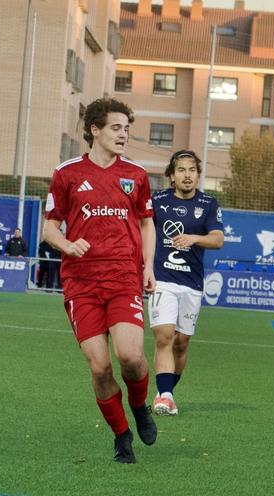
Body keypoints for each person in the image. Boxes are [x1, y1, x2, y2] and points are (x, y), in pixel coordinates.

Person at [40, 96, 157, 463]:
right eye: (116, 128)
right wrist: (68, 244)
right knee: (101, 367)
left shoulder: (136, 175)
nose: (124, 135)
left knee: (132, 357)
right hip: (81, 283)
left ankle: (139, 406)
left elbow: (146, 222)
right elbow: (49, 228)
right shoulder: (67, 173)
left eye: (127, 129)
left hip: (123, 277)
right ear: (95, 129)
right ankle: (122, 435)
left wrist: (148, 265)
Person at [148, 149, 225, 417]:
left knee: (181, 343)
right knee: (164, 335)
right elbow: (142, 229)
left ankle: (165, 390)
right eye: (181, 170)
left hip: (192, 284)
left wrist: (194, 238)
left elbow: (217, 239)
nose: (187, 175)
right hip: (163, 280)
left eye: (192, 170)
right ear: (171, 176)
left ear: (198, 175)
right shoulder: (156, 201)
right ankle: (165, 396)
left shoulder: (209, 204)